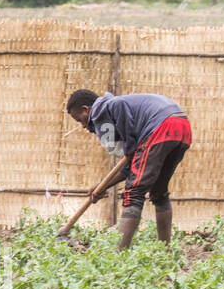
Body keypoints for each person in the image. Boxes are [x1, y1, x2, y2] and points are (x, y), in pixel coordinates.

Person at [65, 89, 191, 251]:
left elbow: (120, 106)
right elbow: (132, 167)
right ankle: (165, 251)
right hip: (181, 126)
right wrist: (102, 186)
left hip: (160, 126)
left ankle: (119, 255)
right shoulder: (127, 116)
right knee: (159, 192)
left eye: (79, 120)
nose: (83, 125)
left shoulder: (105, 107)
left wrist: (130, 146)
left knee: (133, 193)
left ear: (86, 109)